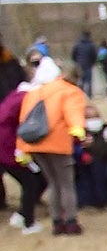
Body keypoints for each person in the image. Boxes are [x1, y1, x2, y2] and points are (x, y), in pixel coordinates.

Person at [20, 56, 87, 234]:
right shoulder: (70, 91)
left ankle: (57, 222)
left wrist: (22, 146)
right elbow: (72, 112)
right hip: (57, 142)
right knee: (66, 184)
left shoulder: (36, 91)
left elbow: (24, 119)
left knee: (52, 183)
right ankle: (71, 222)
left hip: (35, 143)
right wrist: (78, 129)